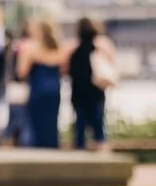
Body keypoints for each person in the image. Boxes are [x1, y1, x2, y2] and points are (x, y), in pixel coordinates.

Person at [18, 15, 67, 149]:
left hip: (38, 89)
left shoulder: (31, 49)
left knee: (36, 125)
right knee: (52, 124)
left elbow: (21, 71)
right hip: (54, 90)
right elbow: (64, 70)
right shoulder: (60, 49)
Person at [68, 15, 116, 150]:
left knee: (80, 131)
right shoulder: (100, 49)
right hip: (96, 95)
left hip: (78, 95)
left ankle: (79, 159)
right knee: (99, 129)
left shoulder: (74, 51)